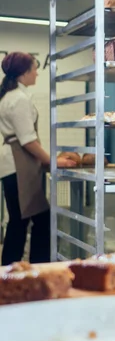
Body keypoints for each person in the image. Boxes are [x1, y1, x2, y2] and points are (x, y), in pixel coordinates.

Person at [0, 52, 76, 265]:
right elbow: (28, 141)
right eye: (34, 68)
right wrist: (54, 161)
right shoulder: (19, 99)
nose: (37, 73)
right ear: (24, 73)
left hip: (16, 165)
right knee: (31, 222)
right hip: (18, 165)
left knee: (22, 222)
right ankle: (31, 270)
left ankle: (13, 272)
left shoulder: (10, 96)